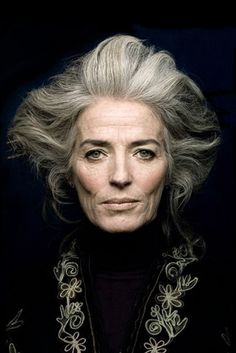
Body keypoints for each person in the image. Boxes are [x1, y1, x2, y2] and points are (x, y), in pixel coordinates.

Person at [1, 34, 233, 353]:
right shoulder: (23, 301)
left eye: (144, 153)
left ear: (171, 167)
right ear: (68, 168)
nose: (120, 176)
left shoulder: (222, 297)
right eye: (96, 153)